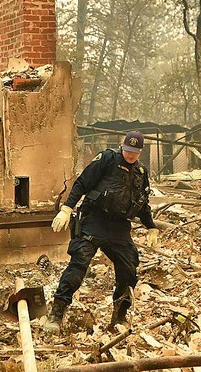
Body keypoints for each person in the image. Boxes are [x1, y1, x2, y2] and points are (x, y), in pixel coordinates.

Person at [44, 131, 159, 333]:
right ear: (123, 147)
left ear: (140, 152)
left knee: (128, 268)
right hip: (94, 219)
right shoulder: (107, 159)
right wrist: (66, 208)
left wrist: (151, 227)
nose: (130, 155)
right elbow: (82, 183)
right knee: (78, 265)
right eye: (128, 151)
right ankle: (57, 312)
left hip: (119, 226)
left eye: (135, 152)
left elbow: (142, 203)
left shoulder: (141, 172)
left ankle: (119, 316)